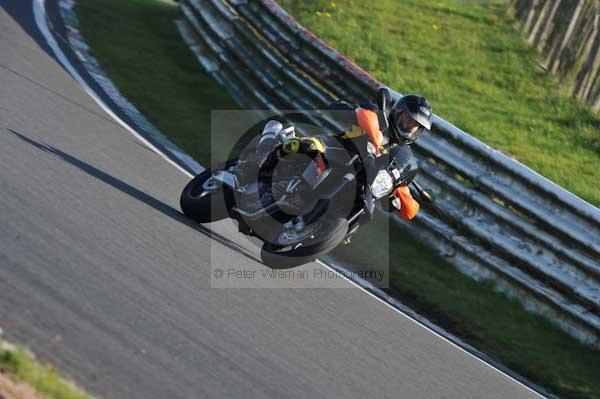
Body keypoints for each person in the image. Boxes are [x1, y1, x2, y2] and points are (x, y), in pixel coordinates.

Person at [256, 87, 432, 220]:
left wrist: (400, 201)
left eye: (414, 126)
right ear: (397, 112)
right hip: (335, 149)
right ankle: (266, 156)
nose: (408, 127)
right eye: (407, 120)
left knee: (364, 202)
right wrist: (352, 112)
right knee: (309, 146)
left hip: (362, 176)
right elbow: (337, 109)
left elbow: (396, 196)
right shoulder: (378, 119)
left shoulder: (400, 153)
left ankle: (331, 227)